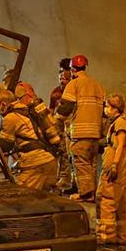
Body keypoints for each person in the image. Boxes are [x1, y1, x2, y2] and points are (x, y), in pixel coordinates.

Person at [0, 89, 58, 191]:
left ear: (2, 104)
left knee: (21, 198)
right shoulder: (28, 111)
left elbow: (5, 146)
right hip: (50, 161)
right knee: (46, 201)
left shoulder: (10, 118)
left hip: (34, 165)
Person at [56, 55, 106, 202]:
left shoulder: (74, 84)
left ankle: (85, 194)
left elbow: (66, 107)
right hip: (96, 132)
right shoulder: (98, 85)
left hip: (80, 131)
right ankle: (93, 193)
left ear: (72, 69)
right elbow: (104, 110)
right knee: (92, 164)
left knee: (81, 163)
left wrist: (56, 120)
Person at [96, 94, 126, 245]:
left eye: (107, 106)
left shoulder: (120, 124)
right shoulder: (118, 123)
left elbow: (120, 145)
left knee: (107, 200)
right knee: (122, 203)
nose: (105, 109)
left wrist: (114, 165)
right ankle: (123, 236)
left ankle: (106, 236)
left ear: (115, 108)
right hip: (123, 167)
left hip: (117, 167)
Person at [50, 58, 74, 190]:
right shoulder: (56, 93)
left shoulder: (75, 90)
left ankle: (72, 181)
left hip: (72, 127)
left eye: (64, 73)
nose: (61, 76)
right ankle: (63, 177)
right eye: (60, 73)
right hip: (59, 127)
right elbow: (51, 111)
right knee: (61, 152)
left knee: (71, 154)